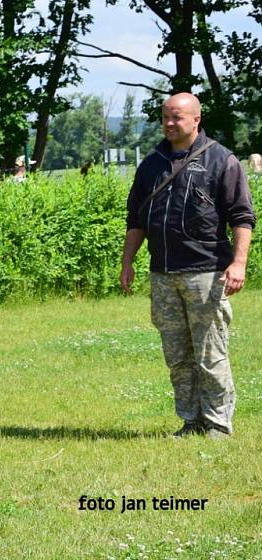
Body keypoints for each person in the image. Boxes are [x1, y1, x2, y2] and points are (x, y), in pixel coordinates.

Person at [120, 92, 256, 439]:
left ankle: (219, 424)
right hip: (163, 274)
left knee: (210, 354)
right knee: (178, 356)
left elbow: (242, 217)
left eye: (176, 117)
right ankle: (191, 420)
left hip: (206, 272)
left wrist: (238, 263)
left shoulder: (221, 161)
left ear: (196, 119)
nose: (168, 123)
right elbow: (136, 218)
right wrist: (128, 262)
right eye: (165, 117)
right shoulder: (151, 163)